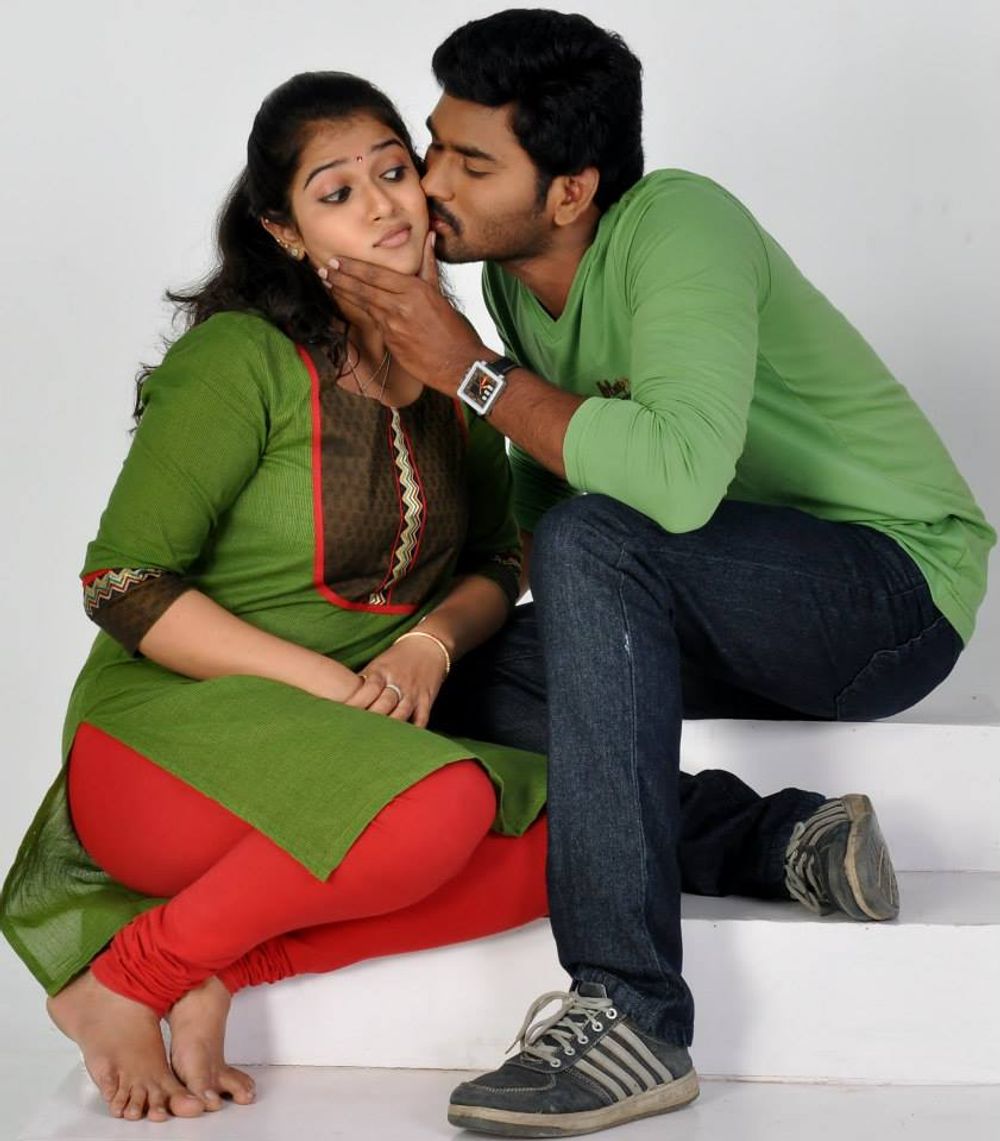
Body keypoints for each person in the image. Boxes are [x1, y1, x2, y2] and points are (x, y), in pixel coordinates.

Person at [320, 9, 995, 1136]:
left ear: (572, 191)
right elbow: (549, 497)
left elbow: (673, 486)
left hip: (889, 596)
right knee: (458, 687)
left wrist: (469, 373)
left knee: (599, 536)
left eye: (471, 163)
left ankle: (631, 1013)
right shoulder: (512, 285)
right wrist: (429, 632)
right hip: (716, 605)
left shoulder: (681, 225)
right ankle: (782, 839)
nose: (429, 184)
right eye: (434, 146)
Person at [0, 71, 551, 1124]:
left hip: (350, 743)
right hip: (169, 742)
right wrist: (323, 681)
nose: (382, 205)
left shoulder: (459, 373)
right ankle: (125, 978)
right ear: (286, 233)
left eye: (393, 171)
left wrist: (431, 643)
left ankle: (220, 966)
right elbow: (122, 582)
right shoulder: (241, 360)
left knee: (577, 847)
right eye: (336, 192)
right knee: (445, 804)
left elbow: (499, 556)